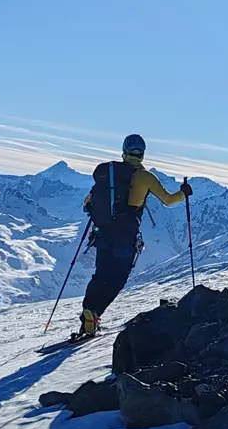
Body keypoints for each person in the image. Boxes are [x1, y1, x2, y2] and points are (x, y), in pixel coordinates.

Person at [78, 134, 191, 340]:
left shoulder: (108, 173)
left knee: (100, 275)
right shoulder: (145, 177)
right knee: (118, 278)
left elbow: (89, 201)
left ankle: (88, 312)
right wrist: (184, 193)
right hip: (126, 235)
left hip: (103, 233)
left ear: (124, 151)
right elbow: (168, 200)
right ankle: (94, 316)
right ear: (143, 153)